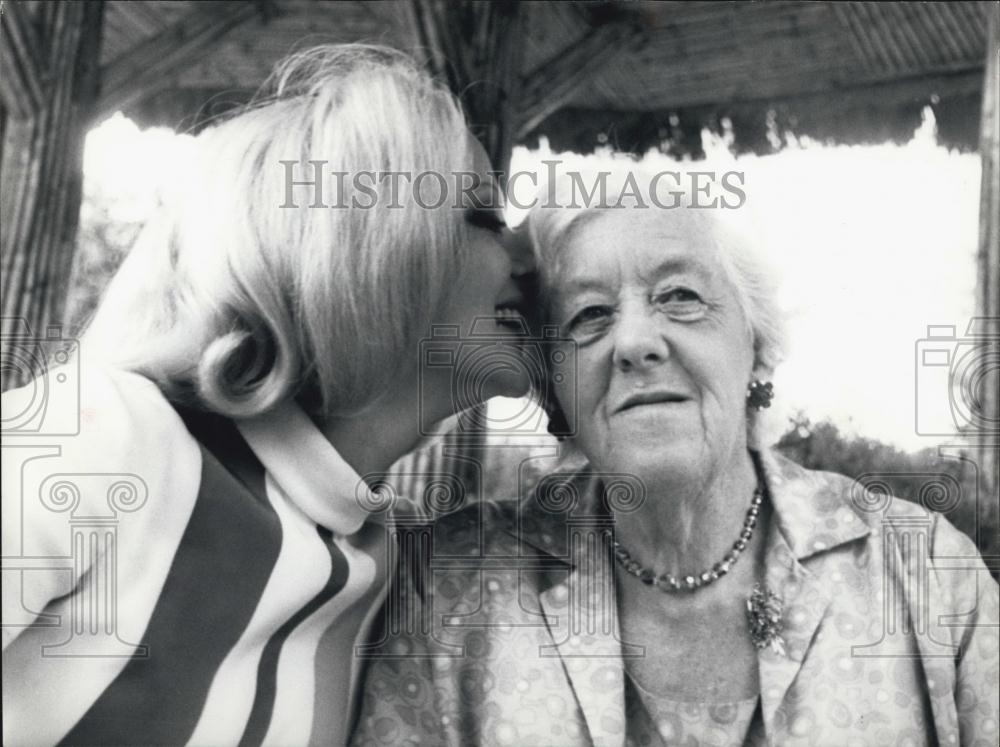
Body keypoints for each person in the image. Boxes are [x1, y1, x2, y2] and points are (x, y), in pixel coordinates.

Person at [350, 170, 1000, 746]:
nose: (634, 341)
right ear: (556, 385)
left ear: (756, 345)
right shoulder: (448, 588)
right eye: (589, 315)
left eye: (680, 296)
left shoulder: (929, 577)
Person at [1, 45, 534, 746]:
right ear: (366, 247)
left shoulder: (383, 560)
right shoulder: (102, 437)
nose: (530, 252)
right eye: (489, 219)